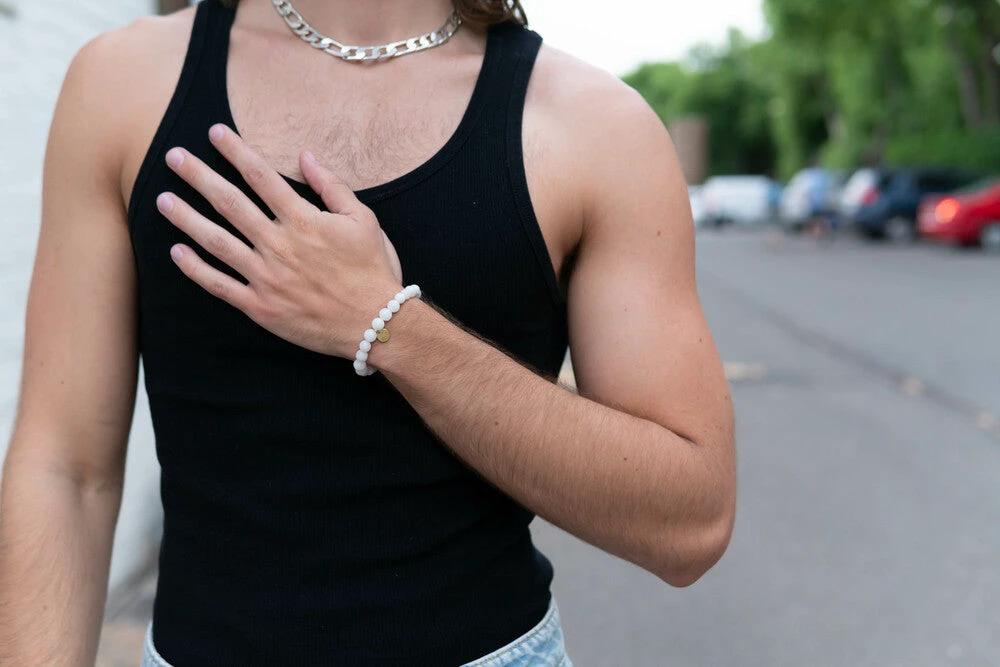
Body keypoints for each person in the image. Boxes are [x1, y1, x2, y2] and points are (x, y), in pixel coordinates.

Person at [0, 0, 736, 664]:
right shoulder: (123, 82)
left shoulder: (592, 126)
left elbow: (688, 522)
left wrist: (388, 327)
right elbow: (66, 469)